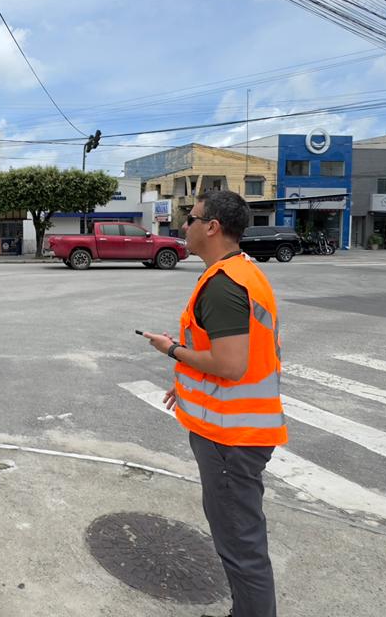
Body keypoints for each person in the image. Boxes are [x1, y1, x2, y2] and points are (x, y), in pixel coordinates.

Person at [141, 190, 286, 617]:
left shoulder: (223, 285)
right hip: (241, 430)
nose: (183, 224)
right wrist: (185, 384)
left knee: (241, 547)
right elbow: (245, 354)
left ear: (212, 227)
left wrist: (171, 350)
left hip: (230, 438)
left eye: (191, 217)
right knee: (241, 539)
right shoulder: (243, 273)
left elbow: (230, 363)